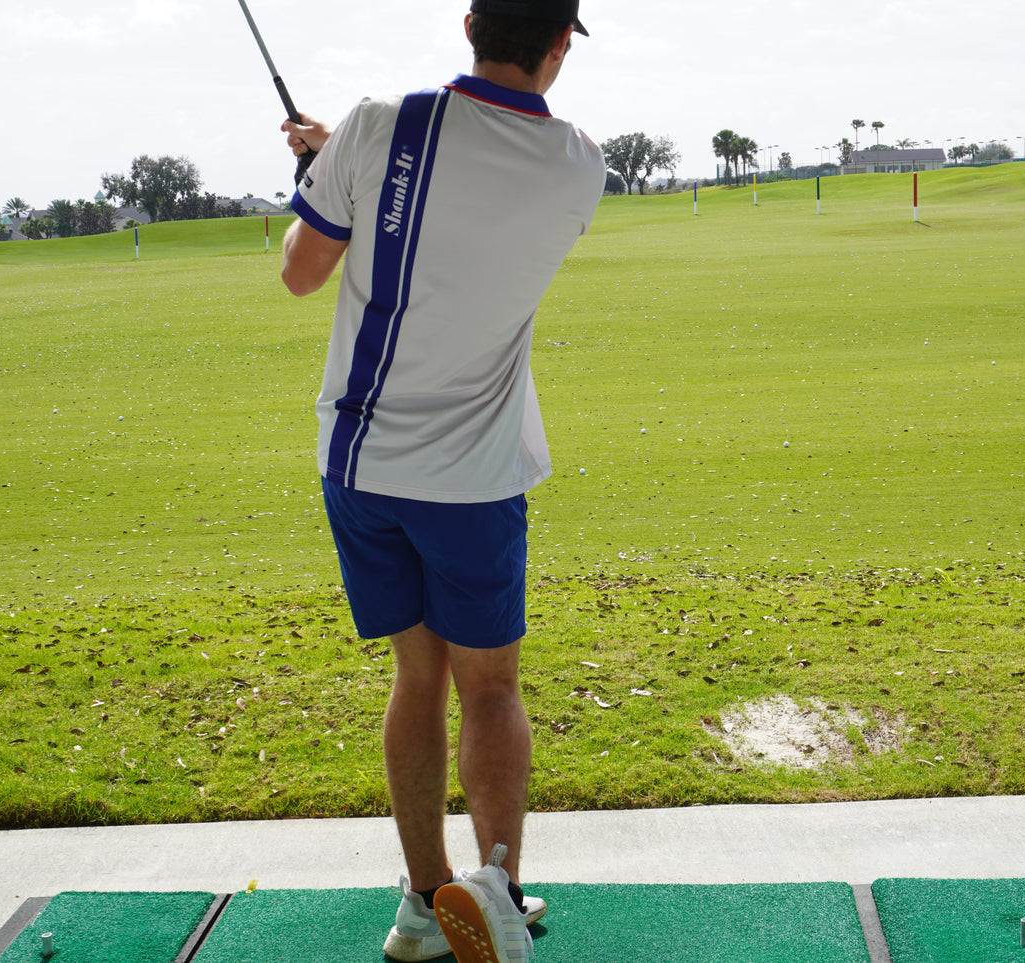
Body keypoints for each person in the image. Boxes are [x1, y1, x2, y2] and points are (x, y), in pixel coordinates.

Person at [278, 2, 604, 960]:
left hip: (364, 463)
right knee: (490, 685)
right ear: (558, 47)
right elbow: (458, 191)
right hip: (473, 474)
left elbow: (304, 273)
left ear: (468, 24)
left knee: (416, 676)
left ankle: (424, 903)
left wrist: (323, 168)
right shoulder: (579, 164)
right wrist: (348, 160)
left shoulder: (378, 125)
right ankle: (495, 892)